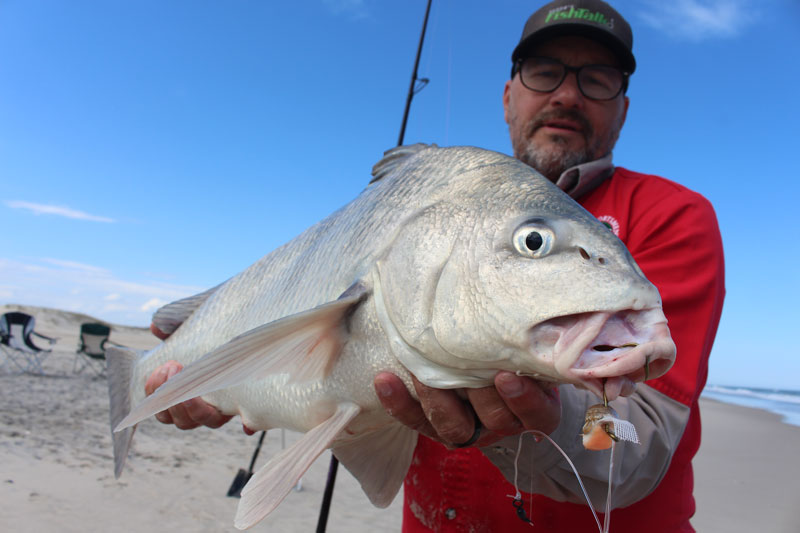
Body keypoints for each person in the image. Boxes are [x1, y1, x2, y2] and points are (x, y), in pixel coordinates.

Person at [146, 1, 725, 531]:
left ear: (623, 109)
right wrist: (209, 378)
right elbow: (339, 388)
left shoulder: (671, 216)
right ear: (507, 96)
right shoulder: (445, 199)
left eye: (597, 80)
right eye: (544, 71)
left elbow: (633, 448)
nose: (567, 96)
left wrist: (545, 415)